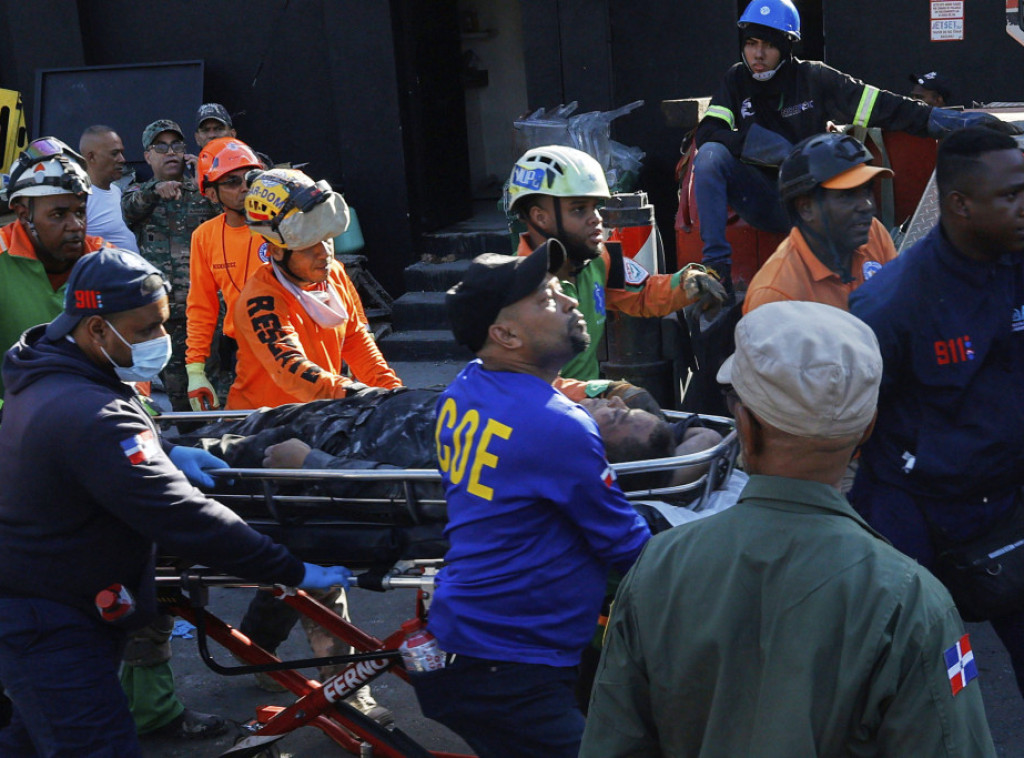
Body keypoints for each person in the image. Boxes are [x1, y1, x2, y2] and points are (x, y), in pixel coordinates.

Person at [580, 300, 995, 757]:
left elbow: (613, 742)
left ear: (745, 426)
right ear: (867, 429)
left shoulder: (658, 567)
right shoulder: (912, 599)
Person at [0, 248, 352, 756]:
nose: (160, 338)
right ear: (96, 329)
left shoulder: (55, 375)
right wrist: (290, 568)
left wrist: (163, 449)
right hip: (51, 620)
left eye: (163, 324)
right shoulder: (87, 410)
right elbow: (183, 516)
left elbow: (98, 447)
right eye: (146, 329)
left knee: (31, 739)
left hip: (50, 597)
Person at [407, 240, 652, 758]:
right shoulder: (555, 425)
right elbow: (629, 547)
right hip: (509, 667)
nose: (568, 301)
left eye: (559, 289)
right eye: (546, 298)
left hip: (470, 641)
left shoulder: (467, 387)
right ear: (506, 335)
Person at [849, 125, 1024, 699]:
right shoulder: (892, 304)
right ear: (960, 205)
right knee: (930, 680)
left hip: (1006, 497)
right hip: (915, 511)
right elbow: (849, 420)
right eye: (1011, 195)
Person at [694, 0, 1008, 292]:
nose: (758, 55)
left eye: (769, 45)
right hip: (762, 199)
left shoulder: (813, 77)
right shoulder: (736, 80)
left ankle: (868, 286)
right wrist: (759, 145)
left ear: (787, 47)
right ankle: (717, 270)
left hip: (812, 201)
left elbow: (880, 105)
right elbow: (708, 133)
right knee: (710, 155)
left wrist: (940, 120)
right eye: (751, 43)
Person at [508, 144, 725, 382]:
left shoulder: (597, 260)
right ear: (540, 218)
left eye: (595, 207)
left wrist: (688, 282)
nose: (596, 219)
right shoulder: (518, 294)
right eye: (579, 209)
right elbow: (530, 386)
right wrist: (603, 391)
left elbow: (642, 294)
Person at [228, 167, 402, 409]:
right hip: (263, 422)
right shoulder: (260, 300)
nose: (324, 253)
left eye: (326, 239)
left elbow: (356, 341)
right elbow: (292, 369)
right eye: (309, 246)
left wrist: (394, 393)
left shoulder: (334, 274)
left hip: (317, 413)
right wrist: (358, 395)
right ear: (276, 251)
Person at [122, 119, 218, 411]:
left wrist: (206, 178)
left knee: (217, 390)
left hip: (207, 312)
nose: (171, 152)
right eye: (161, 147)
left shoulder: (204, 190)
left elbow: (230, 217)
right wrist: (155, 190)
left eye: (176, 145)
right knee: (180, 398)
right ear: (147, 156)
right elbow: (130, 209)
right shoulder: (139, 193)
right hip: (168, 317)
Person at [743, 132, 896, 313]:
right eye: (847, 195)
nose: (867, 206)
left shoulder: (873, 231)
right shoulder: (776, 296)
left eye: (867, 191)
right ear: (806, 208)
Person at [0, 136, 105, 397]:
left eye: (80, 212)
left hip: (91, 410)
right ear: (23, 214)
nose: (76, 225)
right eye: (59, 214)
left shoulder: (106, 262)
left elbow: (133, 345)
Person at [185, 137, 267, 410]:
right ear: (211, 194)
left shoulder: (283, 224)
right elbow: (201, 306)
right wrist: (195, 370)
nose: (244, 188)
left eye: (250, 178)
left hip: (294, 345)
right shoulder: (204, 237)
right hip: (242, 352)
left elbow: (326, 282)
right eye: (232, 182)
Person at [79, 125, 139, 253]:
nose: (122, 159)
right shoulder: (80, 199)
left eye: (122, 153)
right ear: (91, 157)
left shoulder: (116, 191)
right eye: (114, 153)